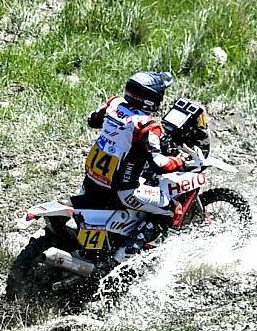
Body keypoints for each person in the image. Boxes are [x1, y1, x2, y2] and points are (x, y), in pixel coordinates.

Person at [76, 70, 189, 220]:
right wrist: (181, 161)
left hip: (91, 181)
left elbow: (92, 120)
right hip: (126, 192)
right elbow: (159, 164)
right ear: (152, 98)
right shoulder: (147, 125)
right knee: (174, 208)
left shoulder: (113, 103)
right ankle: (151, 236)